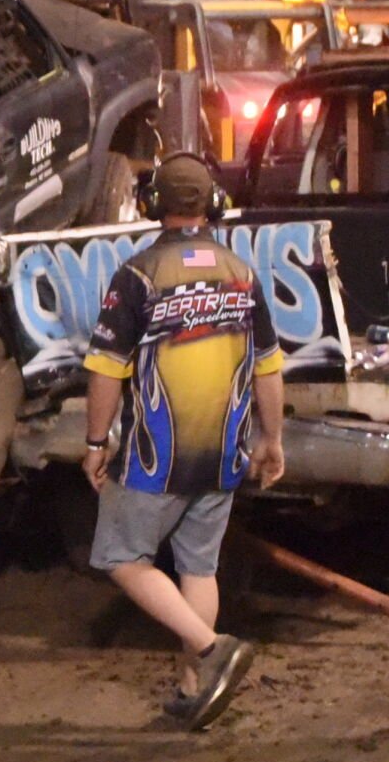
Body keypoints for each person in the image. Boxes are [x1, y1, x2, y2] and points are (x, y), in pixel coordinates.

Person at [82, 153, 287, 731]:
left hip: (155, 455)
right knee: (199, 568)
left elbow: (106, 369)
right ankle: (195, 688)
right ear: (213, 203)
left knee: (121, 556)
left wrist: (96, 441)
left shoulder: (138, 275)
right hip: (225, 453)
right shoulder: (241, 273)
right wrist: (272, 438)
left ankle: (210, 648)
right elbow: (269, 366)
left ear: (153, 204)